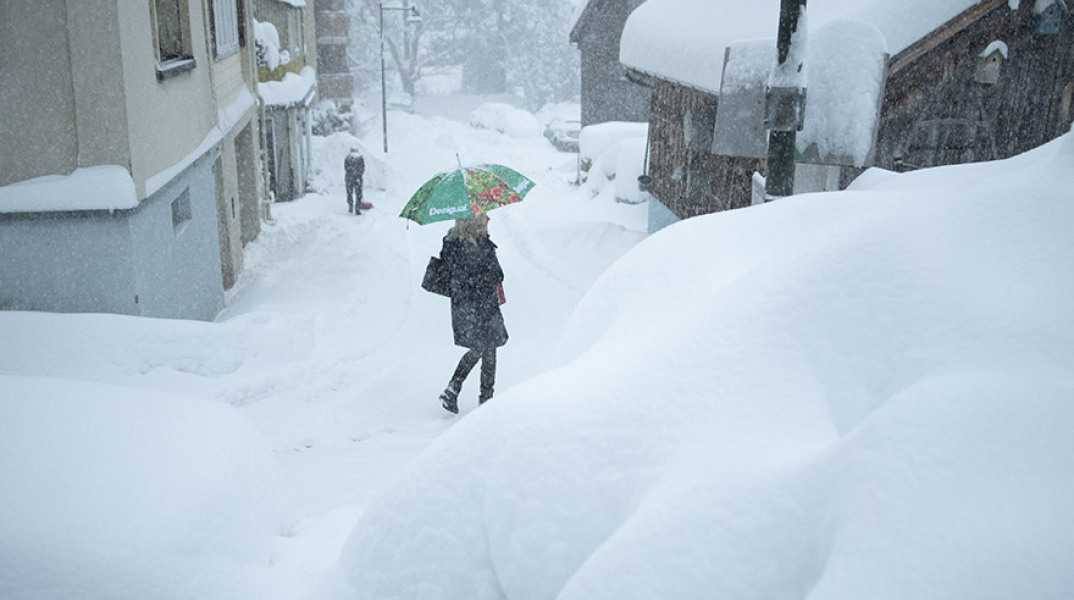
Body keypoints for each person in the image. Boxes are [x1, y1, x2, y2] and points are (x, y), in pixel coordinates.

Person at [437, 213, 508, 413]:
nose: (488, 219)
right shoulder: (481, 245)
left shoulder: (451, 243)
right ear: (474, 221)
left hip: (464, 307)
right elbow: (497, 275)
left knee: (483, 347)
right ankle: (484, 399)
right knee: (487, 347)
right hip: (482, 305)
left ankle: (455, 390)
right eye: (484, 216)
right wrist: (487, 251)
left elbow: (450, 275)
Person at [344, 147, 365, 214]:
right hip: (358, 178)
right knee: (358, 193)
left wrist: (350, 174)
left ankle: (350, 205)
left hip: (349, 178)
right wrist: (359, 174)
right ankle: (357, 208)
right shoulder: (360, 157)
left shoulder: (348, 157)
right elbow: (363, 167)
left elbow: (346, 167)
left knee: (349, 193)